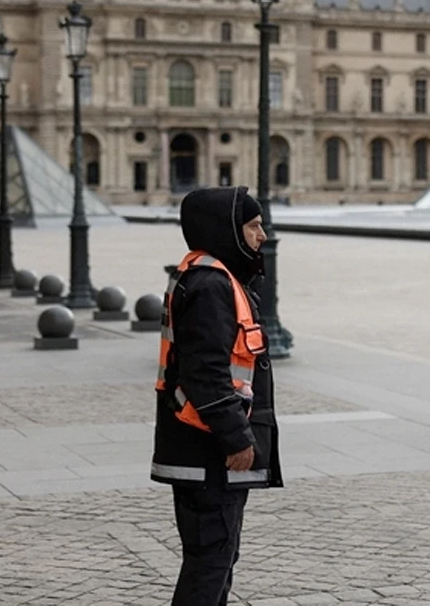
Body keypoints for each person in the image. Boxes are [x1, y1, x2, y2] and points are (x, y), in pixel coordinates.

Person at [151, 186, 284, 606]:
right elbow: (204, 372)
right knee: (209, 565)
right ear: (226, 229)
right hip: (210, 451)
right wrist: (237, 438)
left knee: (214, 560)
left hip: (199, 447)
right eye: (253, 225)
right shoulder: (212, 286)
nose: (262, 235)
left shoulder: (206, 275)